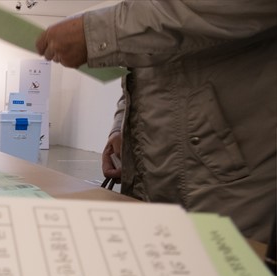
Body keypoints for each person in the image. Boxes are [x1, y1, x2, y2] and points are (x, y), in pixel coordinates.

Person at [36, 0, 277, 243]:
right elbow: (145, 74)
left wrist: (98, 31)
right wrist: (122, 127)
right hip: (157, 173)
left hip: (225, 175)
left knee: (222, 262)